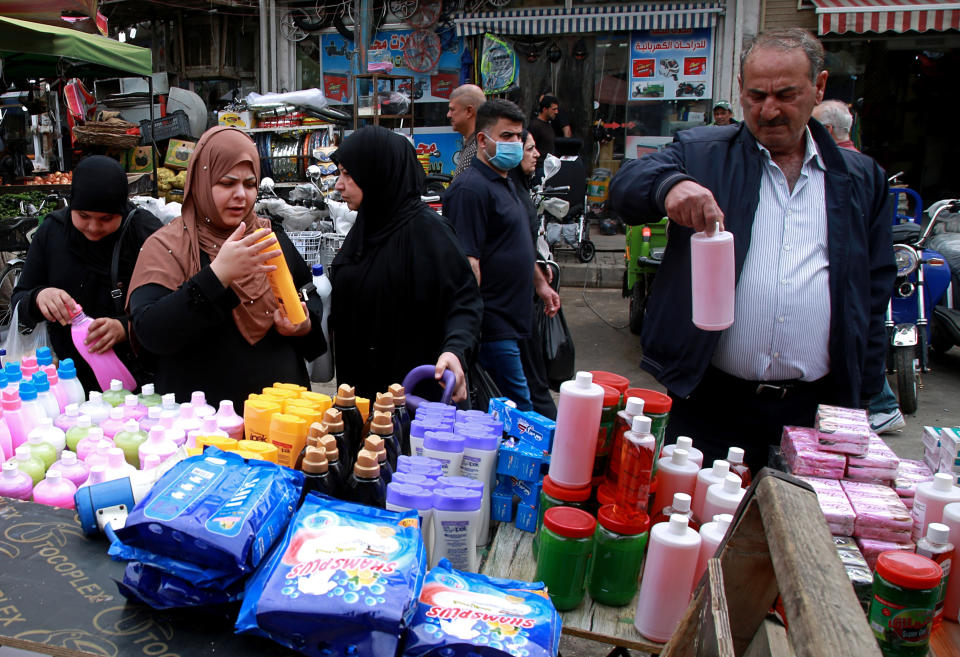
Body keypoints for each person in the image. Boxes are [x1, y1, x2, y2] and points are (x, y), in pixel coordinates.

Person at [609, 28, 896, 472]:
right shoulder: (704, 153)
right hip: (710, 401)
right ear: (740, 90)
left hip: (814, 408)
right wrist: (672, 186)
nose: (769, 109)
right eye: (756, 94)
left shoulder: (860, 179)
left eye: (786, 94)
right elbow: (625, 187)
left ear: (818, 88)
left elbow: (874, 289)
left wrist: (864, 394)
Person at [127, 127, 324, 406]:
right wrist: (217, 275)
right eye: (227, 183)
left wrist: (303, 325)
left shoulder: (268, 237)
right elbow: (151, 332)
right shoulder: (169, 247)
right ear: (201, 181)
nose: (241, 195)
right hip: (206, 424)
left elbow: (309, 294)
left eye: (249, 183)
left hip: (281, 416)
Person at [330, 126, 482, 402]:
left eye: (348, 174)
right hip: (362, 395)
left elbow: (464, 302)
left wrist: (454, 350)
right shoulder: (365, 229)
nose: (339, 184)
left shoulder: (429, 232)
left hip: (413, 401)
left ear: (379, 173)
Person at [12, 156, 161, 392]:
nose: (93, 227)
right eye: (83, 216)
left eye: (106, 219)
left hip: (137, 385)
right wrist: (39, 297)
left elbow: (171, 307)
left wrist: (127, 328)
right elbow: (19, 301)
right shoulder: (53, 232)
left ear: (122, 210)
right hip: (67, 383)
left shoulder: (144, 234)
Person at [445, 99, 551, 411]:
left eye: (519, 136)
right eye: (506, 137)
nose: (515, 144)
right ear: (482, 139)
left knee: (519, 414)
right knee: (521, 420)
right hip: (493, 328)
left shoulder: (508, 183)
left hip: (518, 321)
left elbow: (516, 243)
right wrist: (468, 330)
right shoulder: (470, 190)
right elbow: (468, 266)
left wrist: (540, 285)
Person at [814, 99, 905, 433]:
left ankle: (881, 404)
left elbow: (876, 268)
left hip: (848, 299)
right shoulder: (867, 167)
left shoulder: (851, 170)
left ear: (825, 131)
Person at [510, 130, 560, 419]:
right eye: (529, 148)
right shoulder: (508, 191)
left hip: (523, 302)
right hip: (512, 307)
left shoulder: (518, 190)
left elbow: (525, 247)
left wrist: (540, 281)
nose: (536, 154)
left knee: (533, 383)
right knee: (530, 386)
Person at [448, 84, 486, 178]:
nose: (448, 115)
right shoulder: (473, 142)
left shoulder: (480, 146)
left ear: (469, 111)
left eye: (452, 109)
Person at [528, 95, 558, 168]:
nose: (556, 112)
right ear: (545, 109)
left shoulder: (549, 124)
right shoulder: (535, 126)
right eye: (554, 109)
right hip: (539, 168)